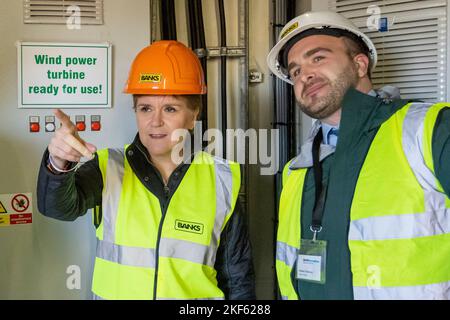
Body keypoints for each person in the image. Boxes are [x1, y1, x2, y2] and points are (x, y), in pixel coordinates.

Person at [37, 40, 256, 300]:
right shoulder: (108, 167)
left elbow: (237, 278)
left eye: (170, 109)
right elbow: (56, 207)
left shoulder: (221, 180)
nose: (155, 121)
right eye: (145, 108)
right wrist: (59, 164)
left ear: (193, 114)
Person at [267, 11, 450, 300]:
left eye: (318, 58)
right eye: (295, 71)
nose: (305, 75)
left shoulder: (430, 130)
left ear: (360, 64)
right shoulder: (295, 170)